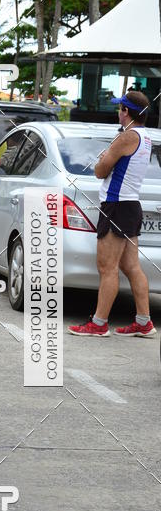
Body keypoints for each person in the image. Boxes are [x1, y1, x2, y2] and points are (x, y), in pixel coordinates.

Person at [69, 90, 156, 338]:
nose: (118, 112)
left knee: (107, 267)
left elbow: (100, 171)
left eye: (120, 109)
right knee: (131, 266)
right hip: (130, 206)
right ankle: (143, 321)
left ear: (126, 111)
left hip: (116, 206)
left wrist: (104, 160)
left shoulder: (126, 137)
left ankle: (99, 323)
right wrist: (108, 159)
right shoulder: (145, 136)